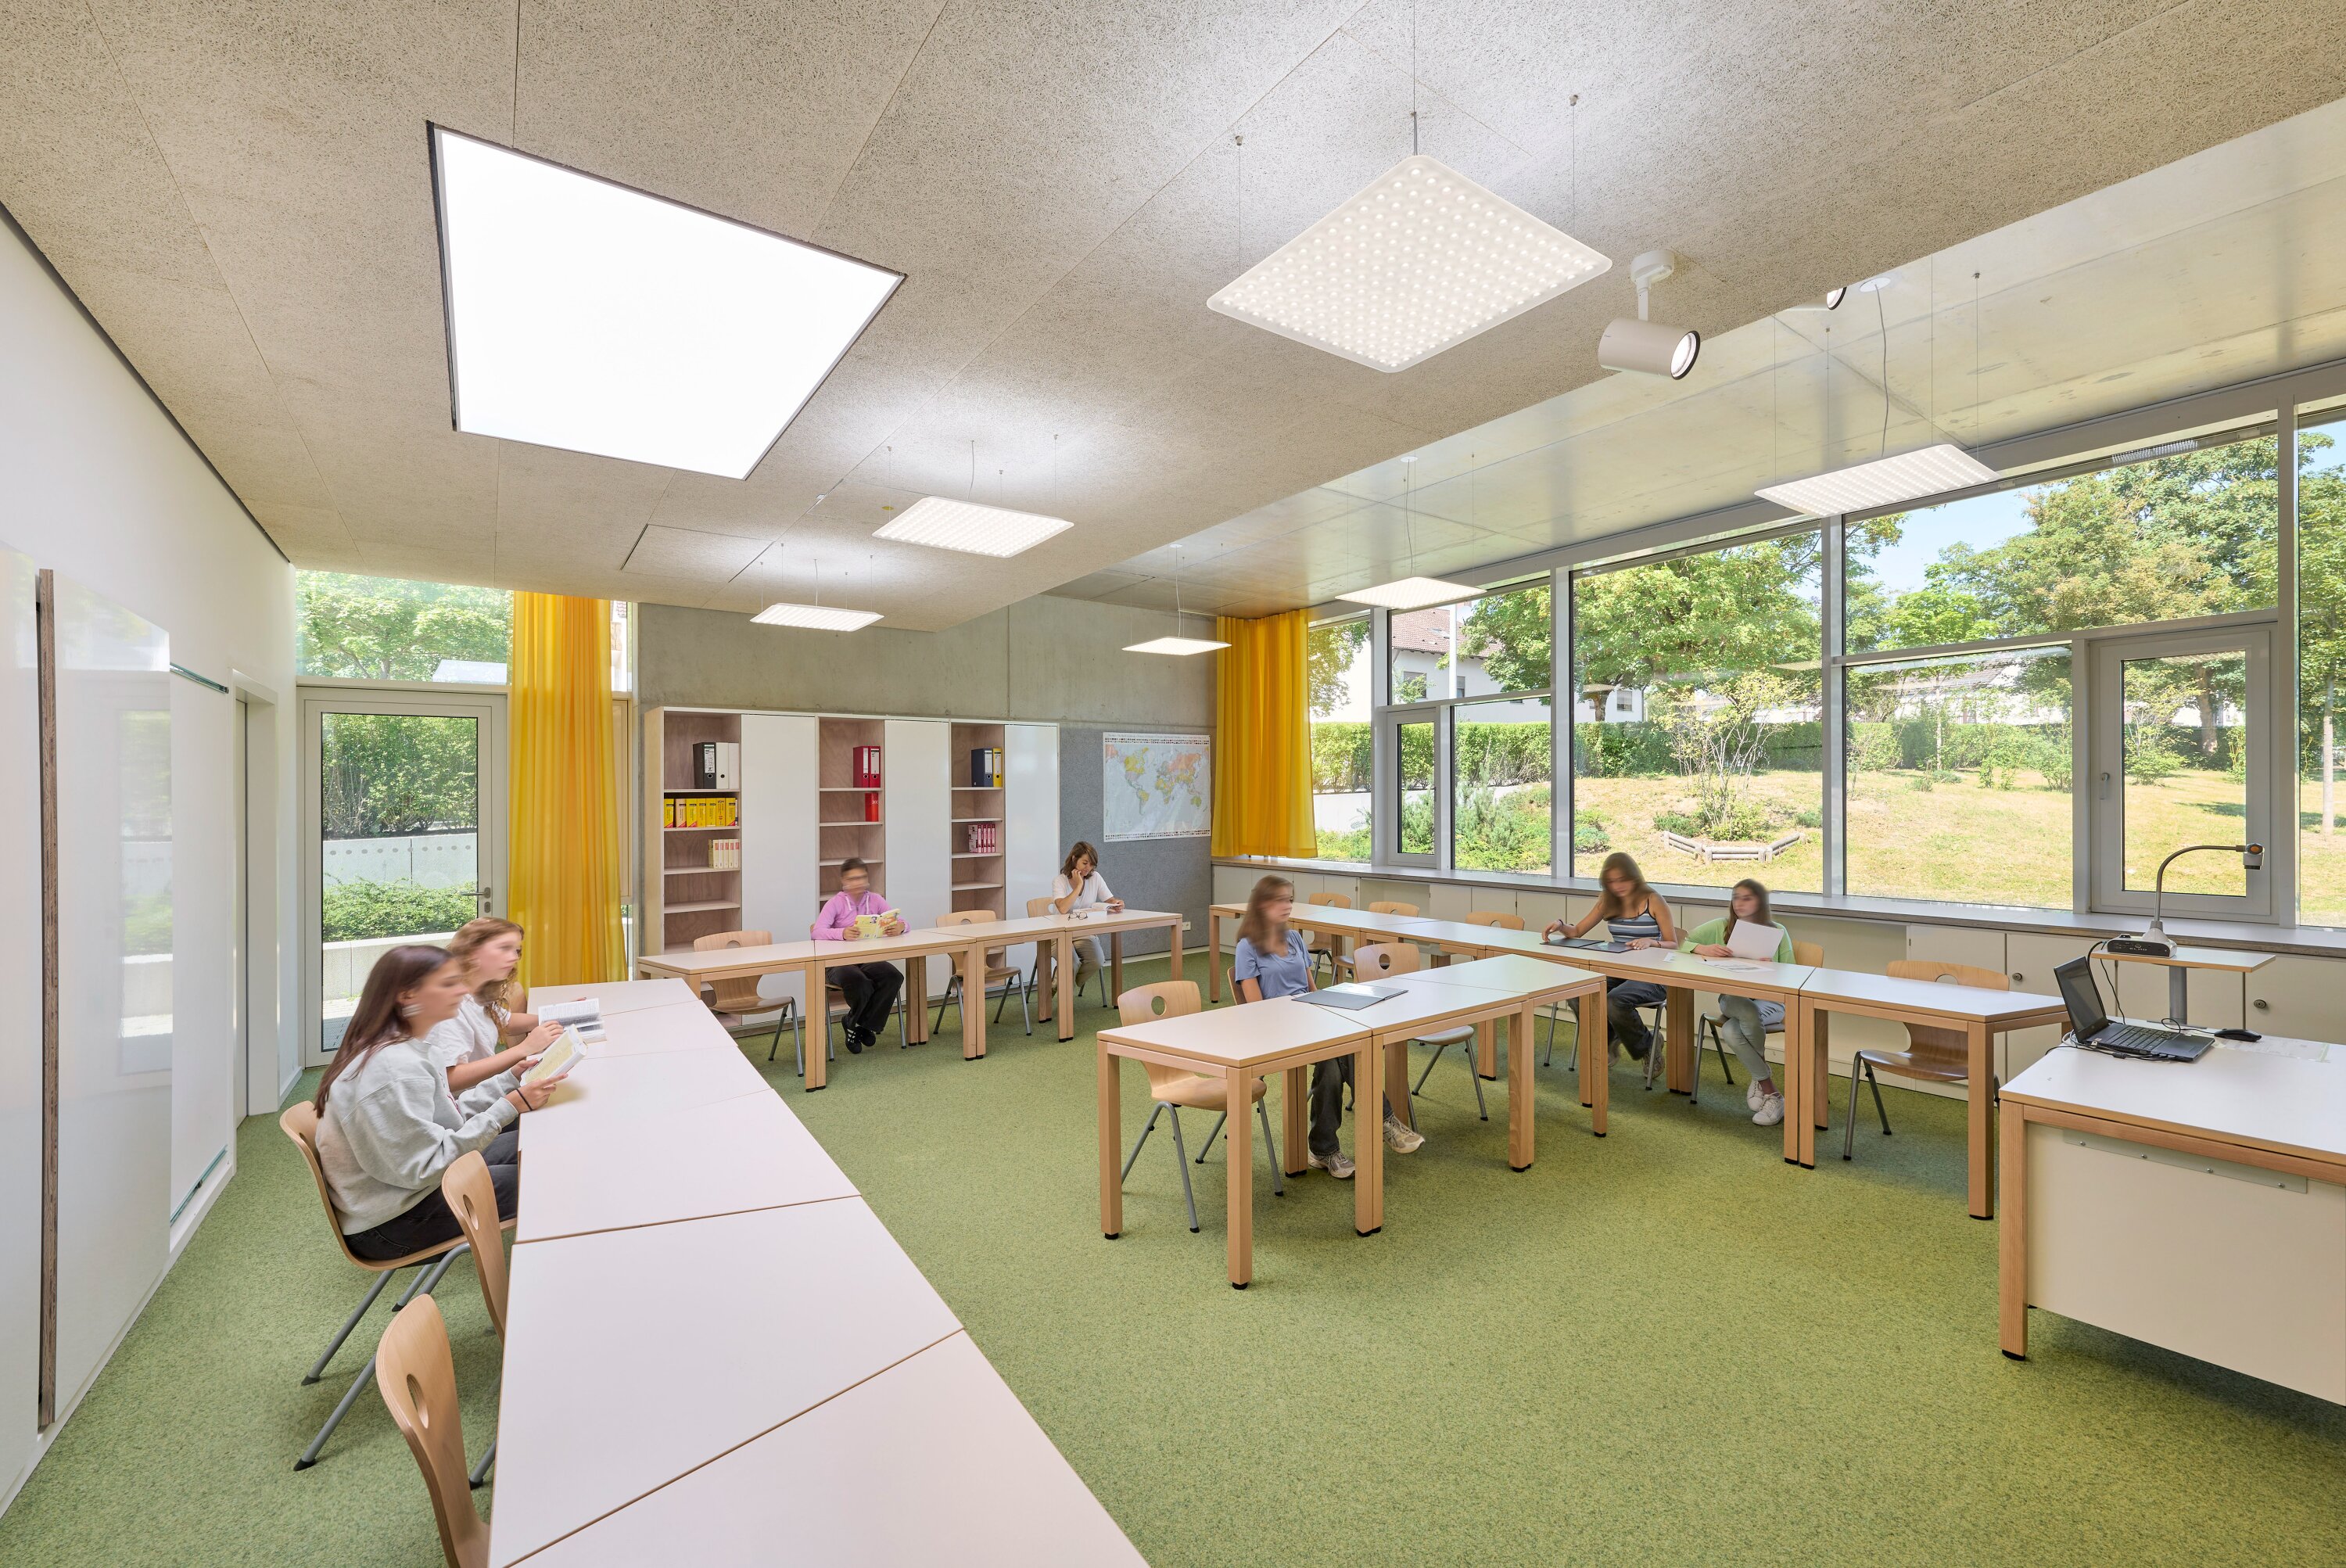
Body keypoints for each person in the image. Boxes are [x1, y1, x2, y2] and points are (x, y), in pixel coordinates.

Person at [313, 944, 561, 1261]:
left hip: (412, 1185)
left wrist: (510, 1078)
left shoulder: (406, 1045)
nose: (463, 991)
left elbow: (449, 1115)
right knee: (550, 1178)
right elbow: (424, 1167)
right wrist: (508, 1107)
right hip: (394, 1220)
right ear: (407, 995)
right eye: (448, 984)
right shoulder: (393, 1071)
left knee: (546, 1149)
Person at [1232, 874, 1422, 1176]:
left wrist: (1323, 1007)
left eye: (1290, 900)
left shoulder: (1293, 938)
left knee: (1343, 1056)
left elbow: (1312, 988)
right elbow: (1258, 1008)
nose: (1287, 906)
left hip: (1311, 1017)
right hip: (1276, 1027)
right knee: (1341, 1056)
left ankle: (1326, 1150)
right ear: (1261, 905)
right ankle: (1382, 1122)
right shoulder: (1248, 947)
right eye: (1279, 900)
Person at [1680, 877, 1794, 1126]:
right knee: (1744, 1010)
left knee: (1733, 1029)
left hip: (1770, 1001)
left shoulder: (1778, 931)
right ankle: (1768, 1085)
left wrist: (1773, 967)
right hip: (1733, 999)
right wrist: (1702, 948)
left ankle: (1767, 1087)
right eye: (1735, 897)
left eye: (1747, 898)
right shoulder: (1721, 926)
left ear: (1761, 902)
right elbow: (1680, 942)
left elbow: (1793, 973)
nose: (1738, 903)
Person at [1544, 851, 1677, 1060]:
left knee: (1615, 1001)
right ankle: (1609, 1038)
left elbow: (1673, 944)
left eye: (1622, 880)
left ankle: (1649, 1044)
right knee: (1578, 994)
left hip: (1652, 975)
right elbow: (1577, 931)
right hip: (1618, 971)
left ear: (1634, 877)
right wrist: (1560, 925)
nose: (1618, 886)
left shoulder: (1653, 900)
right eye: (1612, 882)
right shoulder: (1608, 900)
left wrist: (1652, 942)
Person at [425, 917, 561, 1096]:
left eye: (517, 951)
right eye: (504, 948)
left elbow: (506, 1021)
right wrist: (525, 1048)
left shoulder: (477, 990)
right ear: (472, 950)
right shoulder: (448, 1005)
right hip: (464, 1109)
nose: (514, 957)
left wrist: (558, 1015)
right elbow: (450, 1079)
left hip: (484, 1093)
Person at [813, 857, 907, 1053]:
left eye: (862, 878)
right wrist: (842, 933)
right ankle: (857, 1023)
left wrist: (901, 927)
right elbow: (817, 932)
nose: (858, 883)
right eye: (853, 879)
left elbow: (898, 919)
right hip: (838, 963)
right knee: (860, 982)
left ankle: (857, 1024)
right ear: (844, 882)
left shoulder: (875, 899)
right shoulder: (835, 904)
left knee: (893, 976)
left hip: (867, 958)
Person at [1050, 841, 1124, 996]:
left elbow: (1109, 899)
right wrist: (1078, 885)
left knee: (1097, 960)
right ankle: (1062, 998)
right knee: (1072, 962)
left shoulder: (1095, 878)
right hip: (1059, 936)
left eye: (1091, 865)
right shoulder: (1060, 881)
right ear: (1073, 858)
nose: (1088, 868)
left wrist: (1116, 903)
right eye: (1085, 863)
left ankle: (1065, 977)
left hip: (1083, 934)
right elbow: (1063, 908)